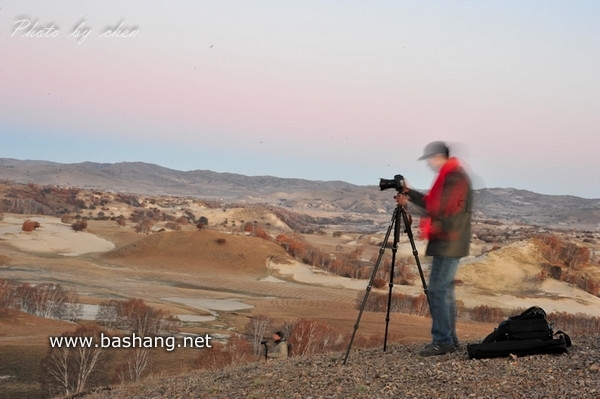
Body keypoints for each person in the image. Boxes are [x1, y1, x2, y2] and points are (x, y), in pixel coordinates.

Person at [396, 141, 473, 357]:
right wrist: (410, 193)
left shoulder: (454, 178)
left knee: (437, 291)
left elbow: (437, 207)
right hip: (448, 241)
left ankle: (443, 341)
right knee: (444, 292)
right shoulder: (452, 176)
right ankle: (450, 339)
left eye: (430, 159)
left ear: (439, 156)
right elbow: (434, 204)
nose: (429, 164)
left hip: (448, 241)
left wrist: (410, 194)